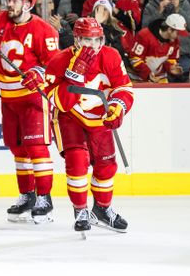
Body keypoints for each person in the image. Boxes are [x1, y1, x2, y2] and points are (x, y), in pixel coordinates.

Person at [44, 18, 134, 233]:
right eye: (86, 40)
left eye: (96, 39)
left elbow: (123, 87)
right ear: (76, 39)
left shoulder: (111, 56)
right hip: (70, 117)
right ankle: (81, 210)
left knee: (106, 166)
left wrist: (117, 107)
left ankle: (102, 209)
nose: (92, 45)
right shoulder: (59, 61)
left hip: (98, 118)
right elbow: (62, 103)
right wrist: (74, 75)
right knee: (77, 161)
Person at [0, 0, 59, 224]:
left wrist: (39, 73)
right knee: (18, 149)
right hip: (8, 98)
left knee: (37, 148)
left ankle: (44, 198)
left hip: (33, 98)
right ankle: (27, 195)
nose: (9, 4)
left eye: (15, 0)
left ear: (29, 4)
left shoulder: (44, 30)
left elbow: (53, 65)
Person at [128, 15, 188, 83]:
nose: (179, 36)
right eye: (178, 33)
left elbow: (172, 59)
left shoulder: (175, 41)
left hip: (160, 79)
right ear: (169, 30)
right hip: (137, 79)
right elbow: (134, 58)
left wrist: (171, 68)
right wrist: (148, 74)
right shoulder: (144, 35)